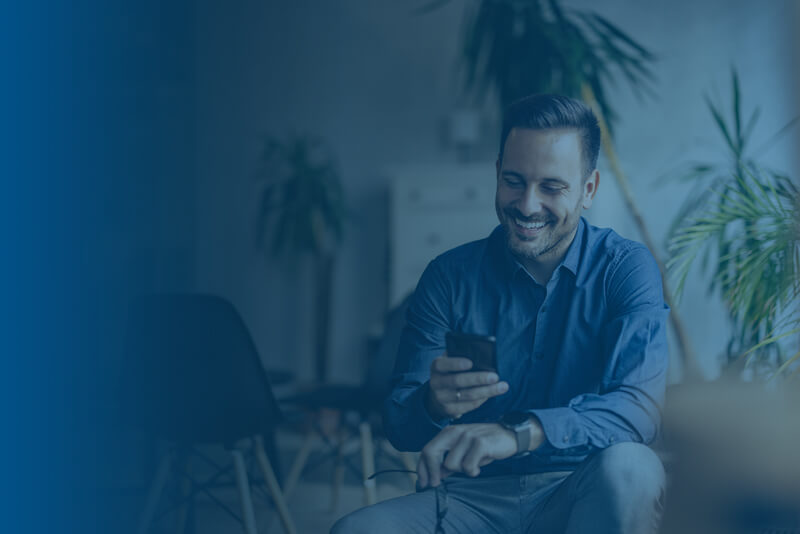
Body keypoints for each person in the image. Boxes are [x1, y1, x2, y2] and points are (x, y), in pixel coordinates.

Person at [332, 94, 668, 533]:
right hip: (468, 502)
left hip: (581, 493)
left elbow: (638, 410)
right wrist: (432, 403)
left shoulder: (625, 267)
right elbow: (400, 426)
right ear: (496, 173)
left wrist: (519, 433)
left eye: (551, 187)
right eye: (514, 181)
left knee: (632, 467)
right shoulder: (447, 276)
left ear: (588, 190)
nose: (527, 205)